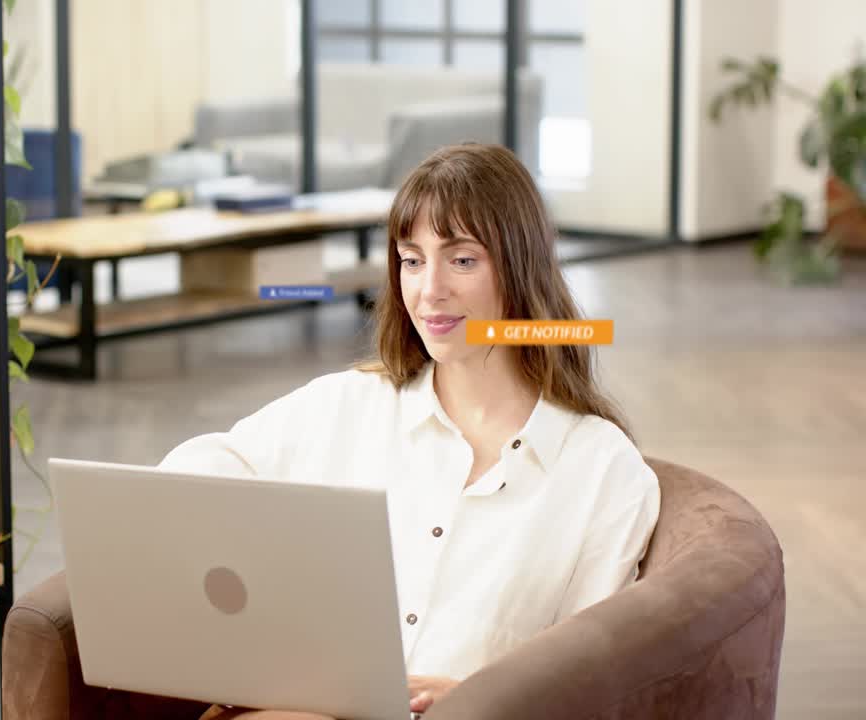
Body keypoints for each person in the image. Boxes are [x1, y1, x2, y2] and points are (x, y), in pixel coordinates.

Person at [158, 144, 662, 720]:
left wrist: (482, 700)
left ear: (522, 269)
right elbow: (192, 483)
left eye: (463, 260)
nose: (429, 291)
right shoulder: (348, 406)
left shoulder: (603, 471)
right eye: (412, 260)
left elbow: (592, 681)